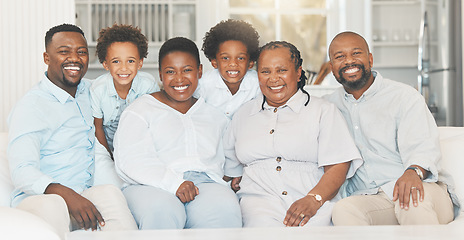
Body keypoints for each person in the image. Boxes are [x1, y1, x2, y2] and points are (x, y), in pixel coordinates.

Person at [7, 24, 137, 239]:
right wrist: (65, 194)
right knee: (54, 208)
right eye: (64, 51)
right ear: (47, 58)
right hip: (43, 197)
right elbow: (22, 170)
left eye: (81, 52)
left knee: (112, 196)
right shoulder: (31, 106)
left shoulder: (93, 91)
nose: (74, 58)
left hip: (87, 192)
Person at [324, 31, 459, 225]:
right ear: (332, 67)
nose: (349, 61)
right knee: (344, 209)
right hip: (372, 198)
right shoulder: (328, 107)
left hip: (421, 189)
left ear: (370, 59)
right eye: (340, 57)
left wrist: (413, 172)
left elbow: (423, 146)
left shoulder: (404, 97)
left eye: (356, 53)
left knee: (411, 201)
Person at [223, 41, 362, 227]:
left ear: (297, 73)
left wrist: (314, 199)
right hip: (258, 206)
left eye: (281, 70)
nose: (273, 78)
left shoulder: (323, 111)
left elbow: (338, 166)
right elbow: (230, 169)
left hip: (314, 204)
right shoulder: (243, 114)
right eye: (265, 72)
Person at [113, 37, 242, 229]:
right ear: (160, 74)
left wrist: (233, 176)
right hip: (150, 185)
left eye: (187, 70)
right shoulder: (140, 110)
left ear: (199, 71)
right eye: (170, 72)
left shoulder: (215, 116)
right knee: (162, 210)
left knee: (225, 209)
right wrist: (174, 184)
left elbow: (230, 157)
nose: (179, 79)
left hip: (205, 184)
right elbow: (131, 160)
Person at [91, 24, 159, 186]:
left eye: (130, 61)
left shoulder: (147, 85)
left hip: (139, 144)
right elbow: (98, 127)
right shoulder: (98, 90)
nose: (124, 68)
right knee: (108, 179)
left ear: (140, 63)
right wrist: (109, 155)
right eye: (116, 61)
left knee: (145, 178)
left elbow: (154, 122)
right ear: (105, 64)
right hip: (107, 146)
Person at [194, 19, 261, 119]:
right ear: (214, 62)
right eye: (225, 58)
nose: (233, 64)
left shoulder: (257, 84)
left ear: (250, 63)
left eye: (240, 58)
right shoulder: (203, 85)